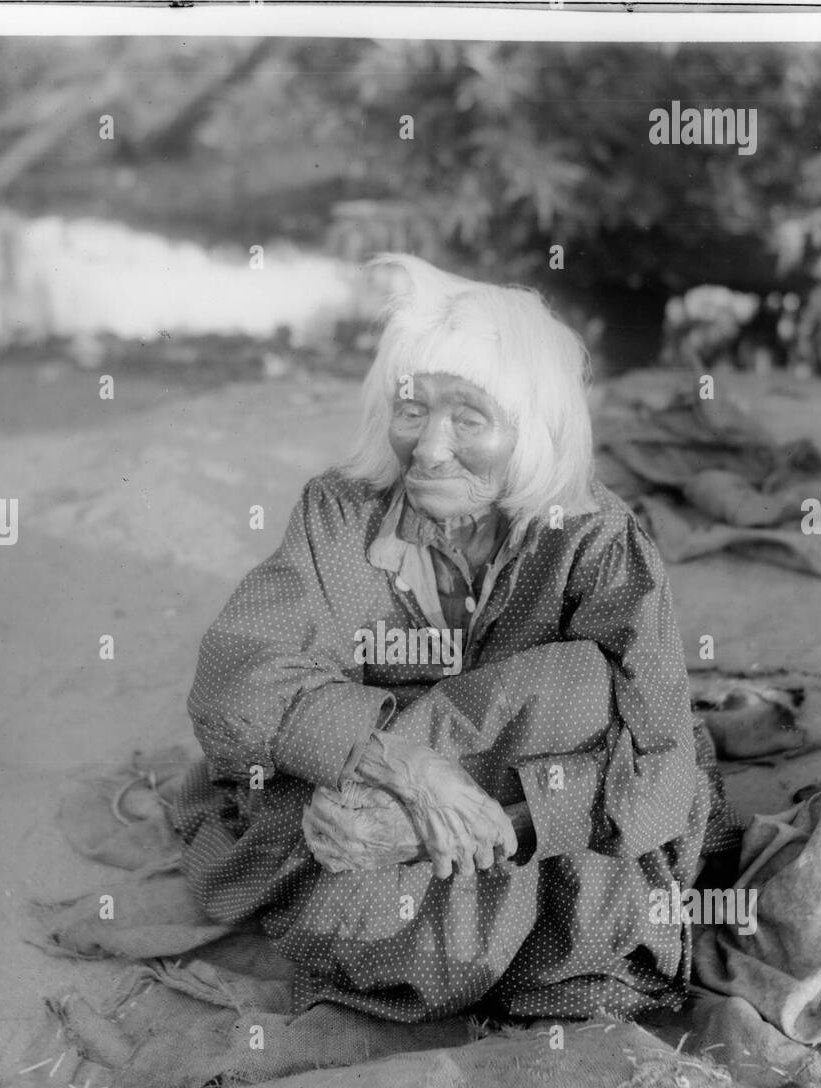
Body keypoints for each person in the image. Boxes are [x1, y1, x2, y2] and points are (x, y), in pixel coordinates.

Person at [173, 254, 733, 1023]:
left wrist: (480, 825)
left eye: (469, 419)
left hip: (531, 820)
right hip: (357, 806)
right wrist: (409, 769)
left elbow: (661, 763)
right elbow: (240, 674)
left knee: (574, 688)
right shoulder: (341, 513)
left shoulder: (596, 541)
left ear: (532, 431)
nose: (430, 447)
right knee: (346, 895)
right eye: (413, 411)